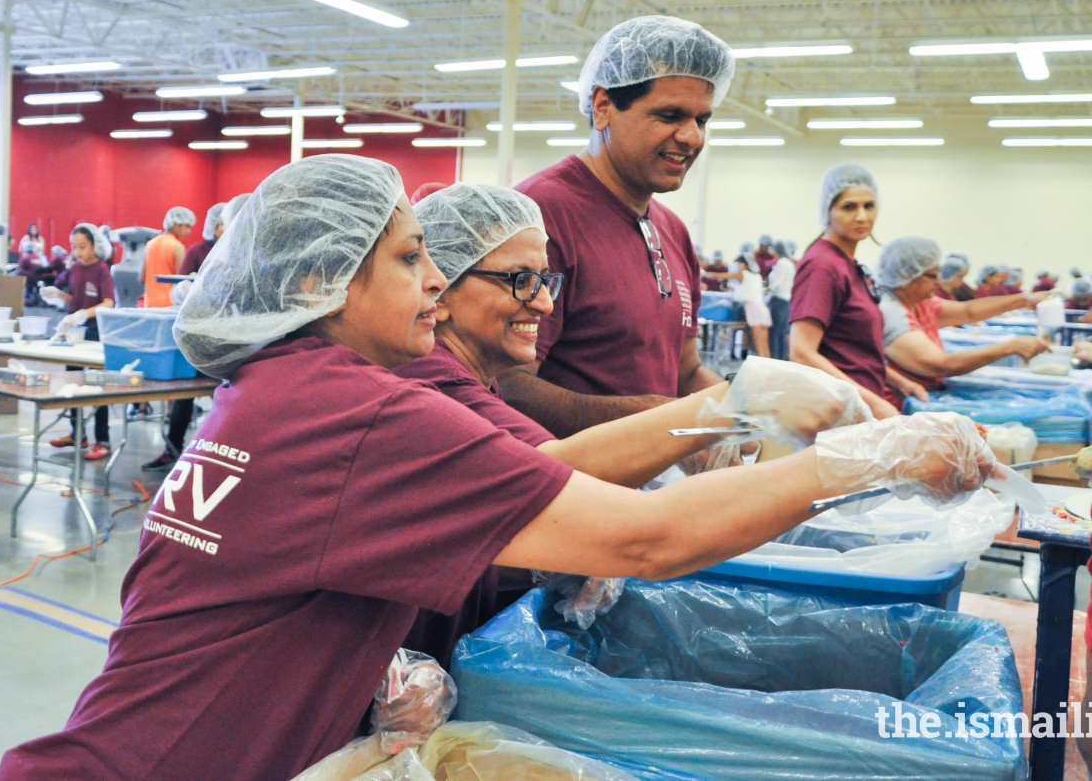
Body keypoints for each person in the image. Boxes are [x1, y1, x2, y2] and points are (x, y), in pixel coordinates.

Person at [0, 154, 996, 781]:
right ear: (315, 282)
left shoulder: (275, 390)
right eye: (403, 260)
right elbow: (647, 535)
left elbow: (222, 591)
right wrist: (864, 456)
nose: (430, 279)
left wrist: (356, 653)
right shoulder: (355, 406)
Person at [399, 184, 869, 664]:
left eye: (546, 281)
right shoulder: (429, 382)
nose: (543, 304)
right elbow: (558, 479)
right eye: (520, 280)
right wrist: (735, 405)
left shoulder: (473, 381)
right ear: (441, 288)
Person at [501, 15, 734, 437]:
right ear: (603, 106)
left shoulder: (673, 231)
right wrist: (657, 422)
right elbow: (506, 387)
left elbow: (687, 372)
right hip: (575, 488)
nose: (693, 137)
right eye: (670, 115)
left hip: (653, 489)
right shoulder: (540, 216)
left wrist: (757, 413)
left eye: (702, 120)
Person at [789, 164, 921, 420]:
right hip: (837, 410)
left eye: (869, 206)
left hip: (856, 403)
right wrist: (873, 402)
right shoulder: (822, 266)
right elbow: (802, 353)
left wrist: (895, 380)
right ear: (826, 212)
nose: (862, 216)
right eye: (849, 207)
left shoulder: (848, 265)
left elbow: (850, 352)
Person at [142, 194, 251, 472]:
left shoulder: (245, 252)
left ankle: (219, 457)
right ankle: (174, 448)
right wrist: (188, 291)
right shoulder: (197, 251)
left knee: (229, 399)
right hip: (203, 330)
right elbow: (180, 284)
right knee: (186, 392)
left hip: (236, 339)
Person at [875, 236, 1052, 408]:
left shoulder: (920, 301)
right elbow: (940, 365)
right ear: (907, 277)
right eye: (933, 275)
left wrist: (1024, 300)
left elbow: (967, 312)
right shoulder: (892, 312)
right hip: (900, 406)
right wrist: (1010, 347)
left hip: (925, 395)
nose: (939, 281)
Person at [43, 225, 116, 461]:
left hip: (95, 332)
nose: (78, 252)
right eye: (75, 247)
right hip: (74, 333)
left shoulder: (102, 269)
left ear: (95, 245)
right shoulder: (74, 268)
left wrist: (84, 314)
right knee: (72, 383)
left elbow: (108, 303)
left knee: (96, 384)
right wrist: (59, 295)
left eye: (83, 247)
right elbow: (76, 298)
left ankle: (103, 439)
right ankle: (78, 433)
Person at [703, 253, 771, 358]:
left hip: (753, 310)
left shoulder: (742, 274)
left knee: (759, 347)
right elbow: (748, 290)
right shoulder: (757, 276)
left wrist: (703, 273)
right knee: (764, 346)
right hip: (762, 310)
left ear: (744, 264)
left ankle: (765, 371)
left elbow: (719, 276)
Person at [140, 206, 195, 307]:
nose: (189, 231)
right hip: (169, 305)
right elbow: (181, 280)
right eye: (187, 226)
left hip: (149, 305)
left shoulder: (150, 244)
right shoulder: (177, 247)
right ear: (175, 224)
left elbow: (142, 278)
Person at [767, 240, 796, 360]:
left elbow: (777, 283)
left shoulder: (782, 263)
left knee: (775, 332)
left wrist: (766, 289)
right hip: (786, 300)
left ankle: (775, 357)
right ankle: (781, 358)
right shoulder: (789, 263)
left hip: (779, 299)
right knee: (782, 332)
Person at [180, 202, 225, 276]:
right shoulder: (197, 251)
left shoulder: (236, 250)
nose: (228, 227)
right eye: (222, 224)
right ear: (214, 228)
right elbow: (181, 278)